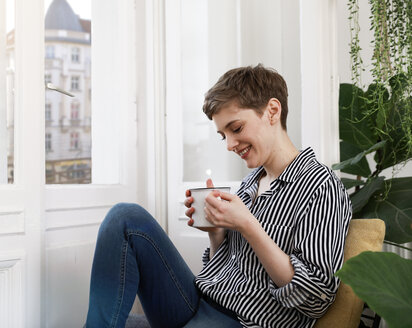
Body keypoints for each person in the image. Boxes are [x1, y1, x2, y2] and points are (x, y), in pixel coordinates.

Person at [85, 64, 352, 328]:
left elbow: (316, 298)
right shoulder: (251, 184)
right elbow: (224, 269)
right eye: (222, 135)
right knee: (125, 217)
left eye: (235, 129)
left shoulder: (320, 185)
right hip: (199, 301)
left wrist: (248, 225)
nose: (229, 145)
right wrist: (216, 234)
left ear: (272, 111)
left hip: (244, 322)